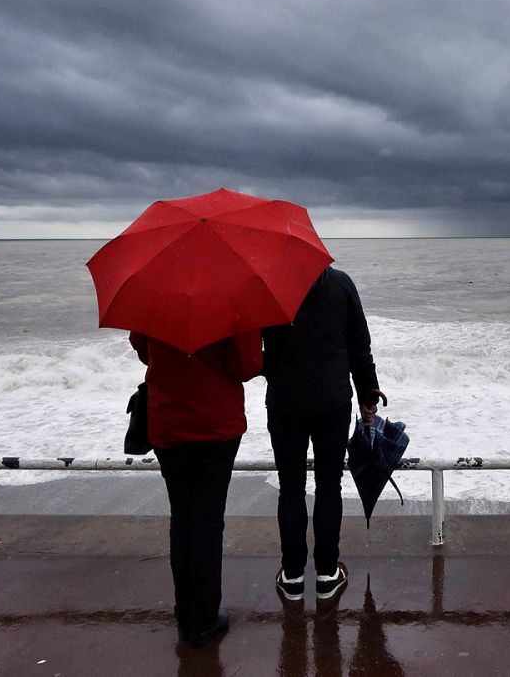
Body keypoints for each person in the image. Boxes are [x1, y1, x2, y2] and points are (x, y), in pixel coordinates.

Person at [262, 266, 386, 602]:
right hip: (332, 402)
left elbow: (256, 354)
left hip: (284, 403)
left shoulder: (269, 287)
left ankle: (292, 576)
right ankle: (328, 573)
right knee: (329, 485)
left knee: (291, 488)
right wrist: (367, 398)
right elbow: (360, 346)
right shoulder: (341, 283)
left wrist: (273, 368)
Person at [131, 329, 261, 648]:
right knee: (207, 520)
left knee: (182, 519)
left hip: (167, 421)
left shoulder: (154, 292)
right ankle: (204, 619)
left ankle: (186, 613)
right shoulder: (234, 298)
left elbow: (143, 349)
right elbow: (247, 366)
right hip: (216, 425)